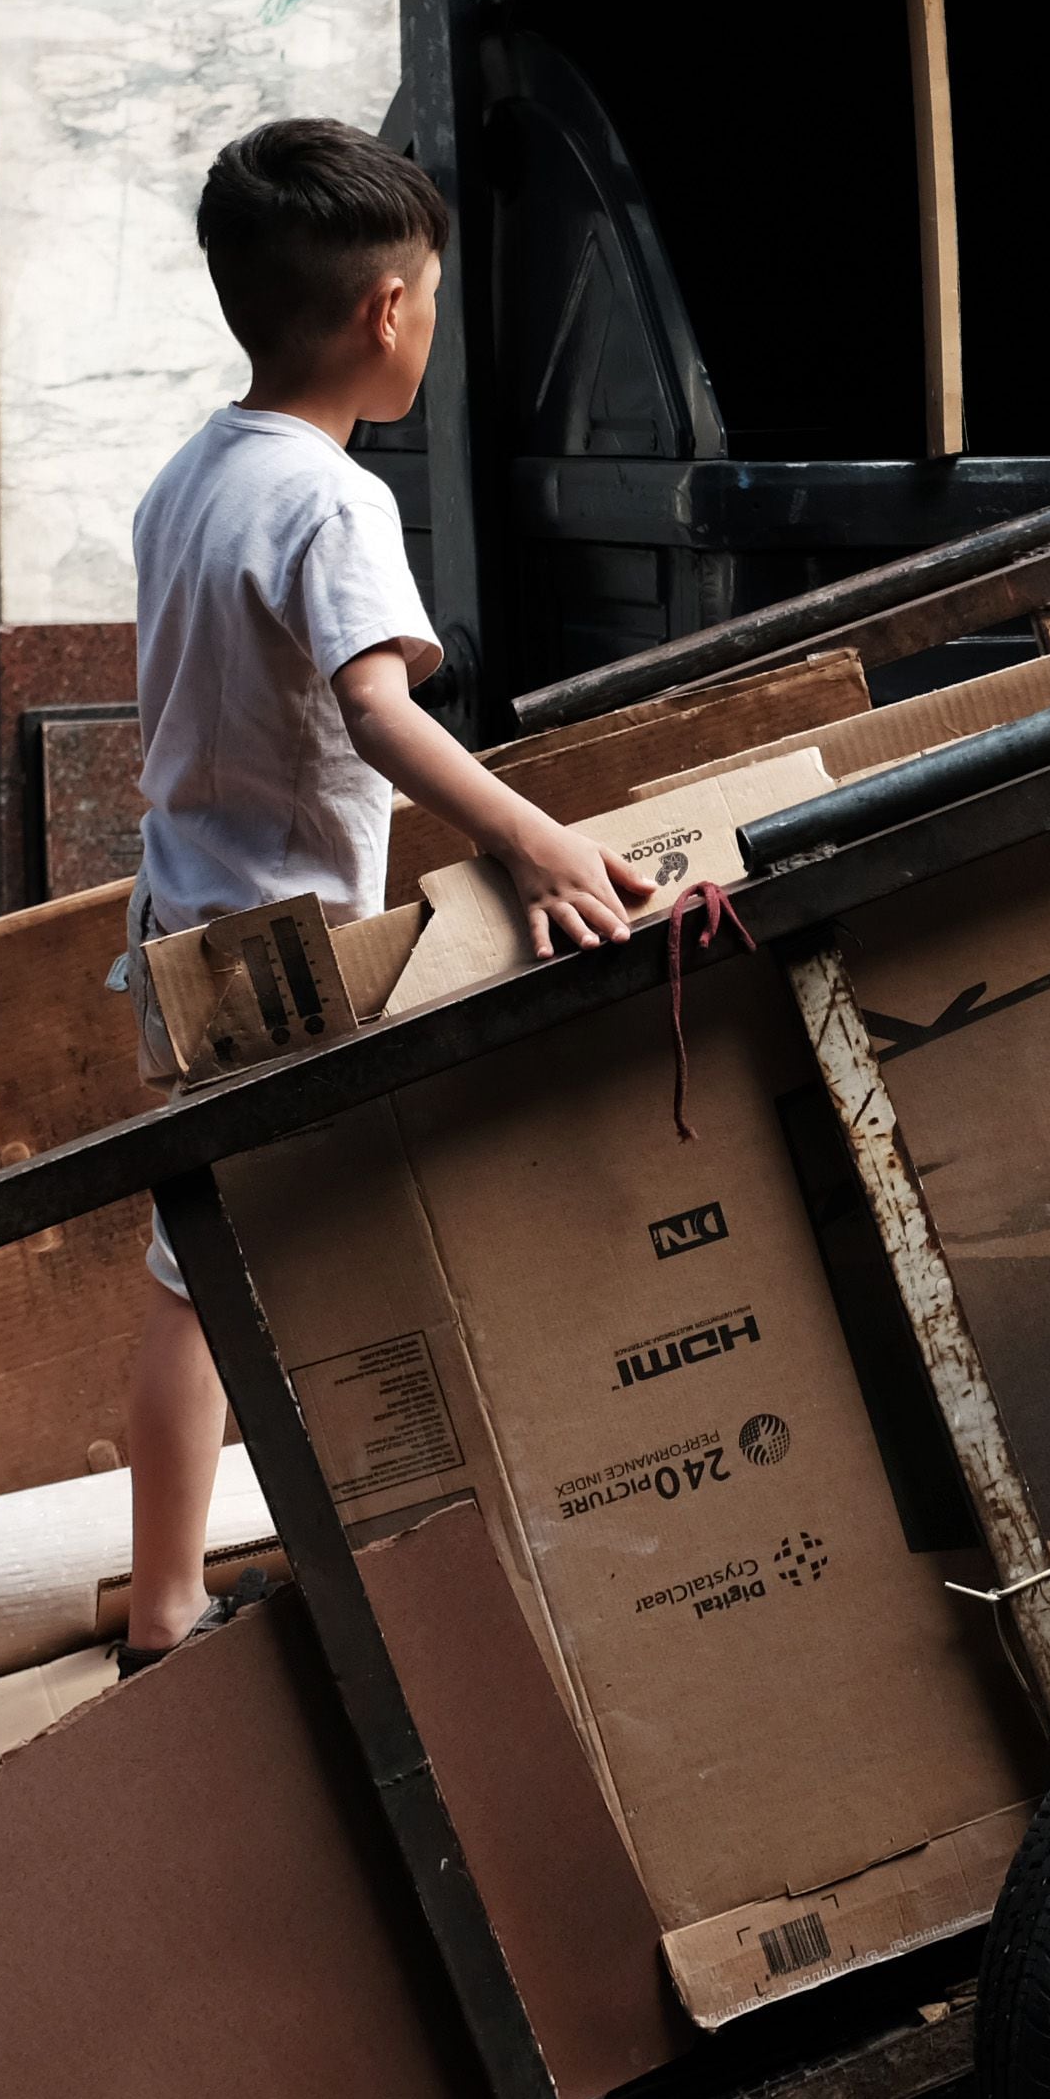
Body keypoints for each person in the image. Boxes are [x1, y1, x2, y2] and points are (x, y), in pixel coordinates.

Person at [114, 119, 653, 1657]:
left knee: (194, 1279)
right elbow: (375, 710)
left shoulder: (187, 476)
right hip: (286, 957)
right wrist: (536, 840)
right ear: (388, 314)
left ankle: (169, 1600)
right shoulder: (334, 502)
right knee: (254, 1275)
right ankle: (293, 1591)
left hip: (180, 922)